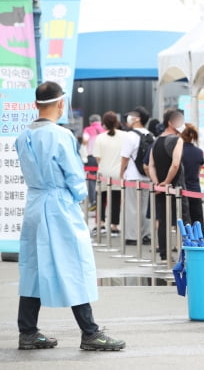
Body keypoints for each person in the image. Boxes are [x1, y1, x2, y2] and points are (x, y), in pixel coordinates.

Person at [15, 81, 124, 351]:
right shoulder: (61, 136)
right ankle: (90, 332)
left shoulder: (22, 136)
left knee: (33, 267)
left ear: (36, 104)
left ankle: (27, 331)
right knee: (73, 263)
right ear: (61, 103)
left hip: (35, 203)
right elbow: (75, 178)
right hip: (59, 204)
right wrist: (78, 198)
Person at [148, 108, 190, 262]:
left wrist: (157, 183)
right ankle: (187, 251)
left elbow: (150, 165)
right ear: (171, 122)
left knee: (163, 219)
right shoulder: (177, 140)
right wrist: (167, 182)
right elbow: (175, 164)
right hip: (176, 186)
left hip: (160, 188)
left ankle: (164, 253)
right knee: (183, 218)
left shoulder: (157, 140)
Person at [120, 106, 152, 246]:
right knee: (146, 207)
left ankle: (132, 236)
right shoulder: (151, 135)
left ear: (137, 118)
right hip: (147, 176)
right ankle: (146, 235)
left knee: (132, 207)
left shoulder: (130, 135)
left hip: (133, 176)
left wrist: (121, 173)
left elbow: (125, 157)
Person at [93, 111, 127, 237]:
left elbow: (98, 158)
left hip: (103, 172)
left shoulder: (100, 138)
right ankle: (114, 226)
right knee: (116, 200)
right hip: (119, 173)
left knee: (100, 198)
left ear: (104, 123)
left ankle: (101, 223)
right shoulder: (124, 136)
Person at [180, 123, 204, 226]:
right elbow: (198, 171)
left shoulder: (178, 151)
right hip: (195, 190)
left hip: (181, 190)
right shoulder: (199, 152)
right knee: (198, 221)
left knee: (183, 222)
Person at [82, 114, 104, 209]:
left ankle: (93, 200)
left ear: (91, 122)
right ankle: (102, 202)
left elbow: (85, 141)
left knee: (91, 179)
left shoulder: (87, 129)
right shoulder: (105, 130)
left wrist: (83, 154)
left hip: (91, 158)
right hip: (103, 158)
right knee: (102, 179)